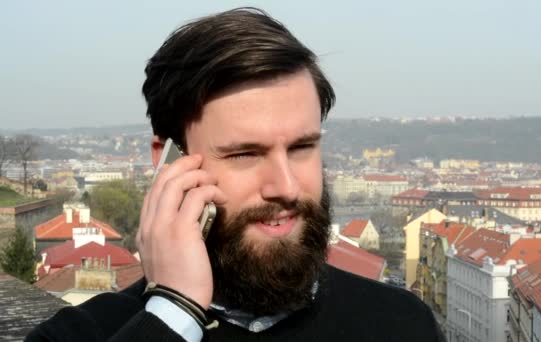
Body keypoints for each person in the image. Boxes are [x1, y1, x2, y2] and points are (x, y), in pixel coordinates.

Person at [27, 7, 445, 342]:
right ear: (168, 162)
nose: (285, 186)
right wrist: (174, 314)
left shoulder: (403, 324)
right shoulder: (81, 334)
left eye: (301, 147)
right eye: (245, 154)